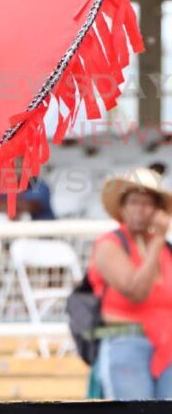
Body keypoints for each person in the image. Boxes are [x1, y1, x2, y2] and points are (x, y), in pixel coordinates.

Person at [88, 167, 172, 400]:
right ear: (122, 208)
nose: (139, 210)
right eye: (133, 202)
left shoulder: (166, 251)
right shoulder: (109, 244)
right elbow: (136, 291)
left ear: (157, 210)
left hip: (167, 346)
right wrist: (157, 241)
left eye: (147, 204)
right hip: (126, 341)